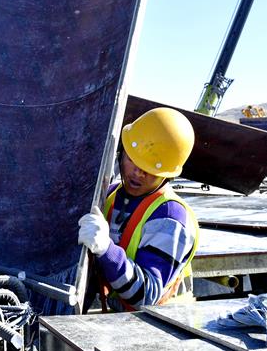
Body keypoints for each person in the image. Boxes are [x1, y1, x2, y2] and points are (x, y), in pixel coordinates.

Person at [78, 107, 199, 311]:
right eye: (133, 160)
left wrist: (105, 250)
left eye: (151, 170)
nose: (138, 173)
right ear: (122, 152)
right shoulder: (110, 195)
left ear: (167, 175)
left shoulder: (171, 218)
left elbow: (146, 296)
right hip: (124, 321)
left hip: (163, 329)